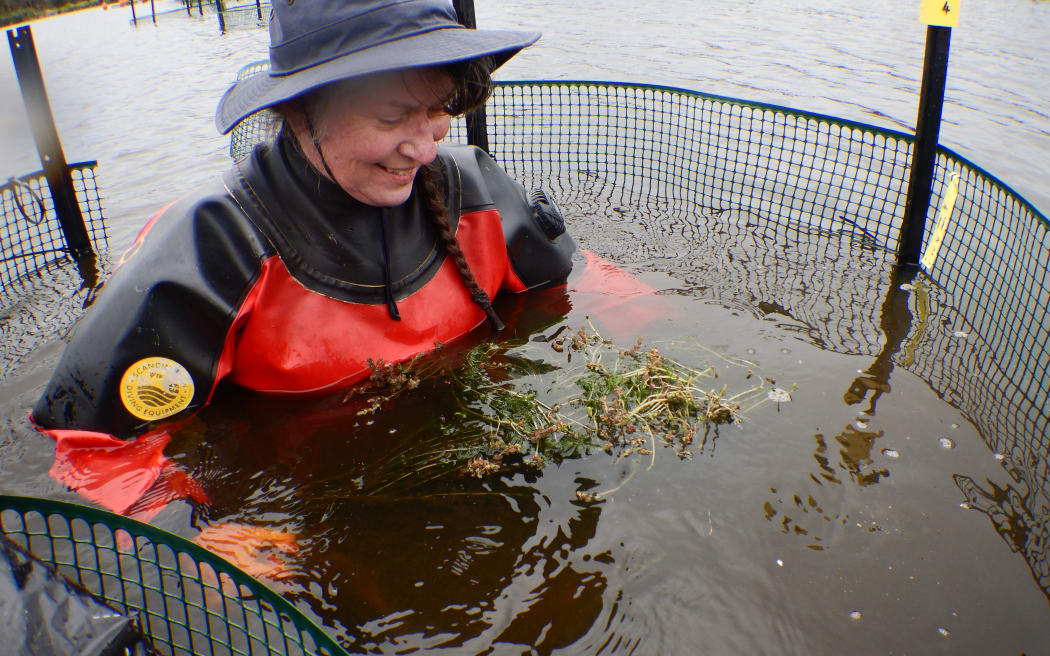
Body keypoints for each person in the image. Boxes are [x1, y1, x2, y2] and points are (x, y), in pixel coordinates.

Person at [30, 0, 664, 520]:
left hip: (482, 472)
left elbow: (577, 281)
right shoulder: (211, 244)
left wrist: (652, 352)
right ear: (297, 110)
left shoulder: (476, 189)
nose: (422, 147)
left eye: (439, 111)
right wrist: (203, 531)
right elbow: (94, 447)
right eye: (392, 115)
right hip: (314, 501)